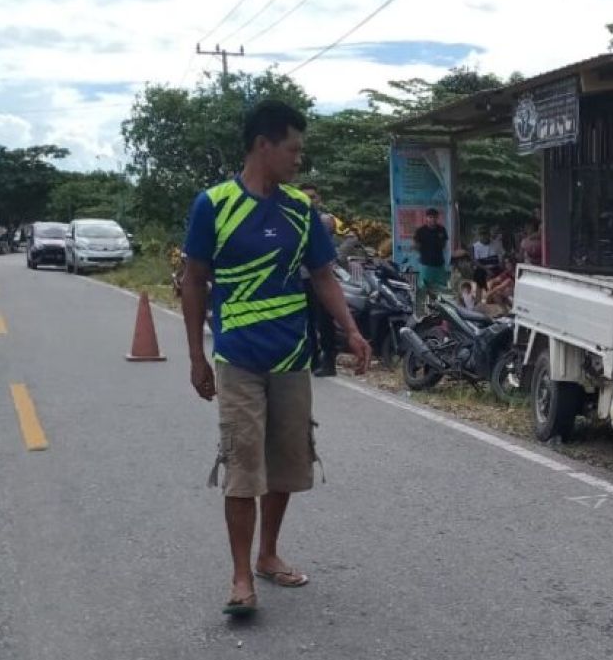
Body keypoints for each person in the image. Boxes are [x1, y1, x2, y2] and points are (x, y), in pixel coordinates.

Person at [181, 100, 372, 616]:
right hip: (238, 359)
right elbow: (193, 280)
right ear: (263, 145)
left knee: (287, 465)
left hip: (292, 358)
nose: (298, 160)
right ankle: (241, 576)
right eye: (292, 149)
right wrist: (197, 358)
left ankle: (268, 554)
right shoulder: (214, 205)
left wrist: (350, 331)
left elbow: (325, 276)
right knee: (244, 466)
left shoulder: (298, 208)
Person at [299, 184, 339, 376]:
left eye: (313, 197)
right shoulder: (294, 219)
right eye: (305, 197)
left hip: (322, 279)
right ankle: (313, 359)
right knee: (307, 321)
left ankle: (329, 361)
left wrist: (336, 258)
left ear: (319, 199)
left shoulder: (325, 220)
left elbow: (348, 236)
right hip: (302, 278)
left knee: (325, 321)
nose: (309, 201)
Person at [412, 208, 448, 313]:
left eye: (434, 217)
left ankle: (439, 310)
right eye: (430, 217)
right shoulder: (421, 231)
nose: (432, 219)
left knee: (440, 289)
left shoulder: (442, 230)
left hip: (439, 264)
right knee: (424, 288)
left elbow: (444, 244)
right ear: (426, 218)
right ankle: (421, 311)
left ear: (437, 218)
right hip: (426, 265)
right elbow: (415, 245)